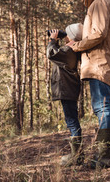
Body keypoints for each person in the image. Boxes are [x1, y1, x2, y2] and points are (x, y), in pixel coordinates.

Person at [67, 0, 110, 169]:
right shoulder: (103, 2)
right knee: (107, 107)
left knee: (102, 107)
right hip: (102, 62)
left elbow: (98, 34)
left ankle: (106, 156)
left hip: (98, 63)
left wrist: (77, 45)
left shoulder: (99, 3)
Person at [46, 23, 84, 166]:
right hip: (69, 89)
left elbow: (51, 53)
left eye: (67, 34)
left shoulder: (68, 51)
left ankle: (77, 155)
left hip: (66, 90)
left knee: (72, 121)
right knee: (72, 120)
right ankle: (77, 154)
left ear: (72, 36)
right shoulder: (73, 49)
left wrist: (53, 40)